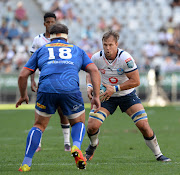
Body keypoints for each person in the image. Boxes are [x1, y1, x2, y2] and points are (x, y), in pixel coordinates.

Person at [16, 23, 101, 171]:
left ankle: (26, 162)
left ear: (50, 37)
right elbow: (94, 70)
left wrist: (23, 95)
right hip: (70, 89)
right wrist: (97, 96)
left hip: (46, 89)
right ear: (66, 37)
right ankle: (76, 146)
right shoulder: (77, 50)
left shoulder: (42, 50)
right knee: (78, 122)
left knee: (39, 125)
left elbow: (23, 75)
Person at [85, 30, 171, 162]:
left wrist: (115, 88)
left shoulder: (126, 58)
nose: (108, 48)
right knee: (92, 126)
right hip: (106, 96)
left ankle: (158, 154)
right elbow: (90, 73)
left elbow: (136, 81)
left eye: (111, 45)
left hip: (126, 95)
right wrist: (90, 86)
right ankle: (93, 145)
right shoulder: (96, 57)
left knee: (143, 126)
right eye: (105, 45)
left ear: (117, 44)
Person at [30, 12, 71, 152]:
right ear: (44, 23)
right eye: (47, 22)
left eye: (52, 22)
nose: (50, 24)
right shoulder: (38, 40)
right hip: (44, 80)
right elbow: (32, 63)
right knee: (40, 112)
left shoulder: (62, 40)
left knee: (63, 112)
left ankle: (67, 143)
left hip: (61, 80)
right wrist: (32, 80)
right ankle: (38, 144)